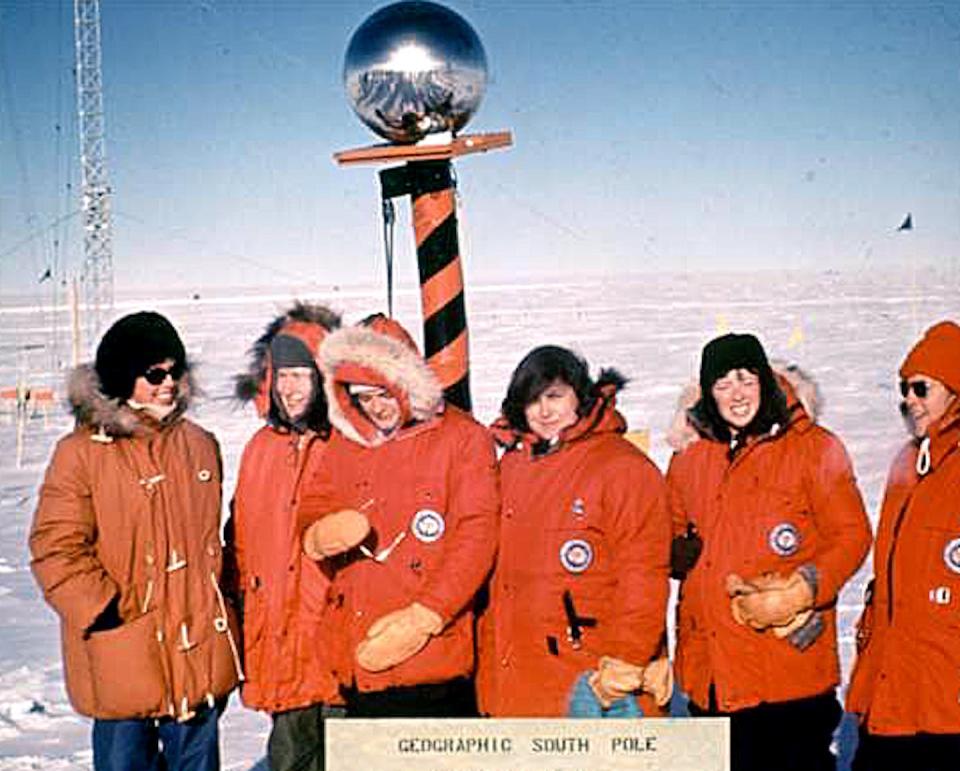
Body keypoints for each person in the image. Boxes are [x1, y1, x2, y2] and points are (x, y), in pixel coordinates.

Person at [29, 311, 241, 771]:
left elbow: (212, 545)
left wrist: (221, 606)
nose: (168, 383)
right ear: (125, 378)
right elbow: (55, 547)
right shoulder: (82, 452)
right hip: (123, 650)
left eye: (174, 370)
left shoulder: (200, 445)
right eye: (154, 373)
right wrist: (103, 611)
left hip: (195, 652)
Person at [666, 332, 871, 771]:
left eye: (745, 379)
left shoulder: (813, 448)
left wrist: (804, 589)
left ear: (765, 380)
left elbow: (852, 534)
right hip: (711, 674)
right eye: (722, 384)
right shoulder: (691, 458)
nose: (736, 394)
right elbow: (666, 531)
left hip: (786, 672)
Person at [296, 314, 498, 717]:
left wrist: (426, 616)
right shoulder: (347, 442)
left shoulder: (463, 439)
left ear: (405, 383)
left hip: (431, 657)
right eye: (362, 398)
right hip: (357, 649)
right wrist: (318, 532)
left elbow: (475, 538)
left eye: (382, 394)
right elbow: (314, 501)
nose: (375, 408)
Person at [477, 345, 673, 718]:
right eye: (532, 401)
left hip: (590, 675)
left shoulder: (622, 468)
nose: (544, 411)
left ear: (580, 398)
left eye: (554, 397)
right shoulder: (513, 468)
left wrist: (628, 659)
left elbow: (643, 574)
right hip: (515, 677)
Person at [226, 302, 341, 771]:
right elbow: (241, 542)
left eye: (303, 375)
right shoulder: (260, 450)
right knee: (290, 756)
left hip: (333, 640)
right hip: (279, 638)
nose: (291, 388)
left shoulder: (348, 444)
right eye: (283, 376)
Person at [847, 320, 960, 771]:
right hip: (892, 686)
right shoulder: (908, 463)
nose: (909, 400)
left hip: (945, 704)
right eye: (903, 391)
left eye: (920, 388)